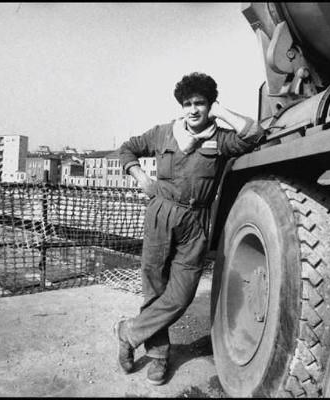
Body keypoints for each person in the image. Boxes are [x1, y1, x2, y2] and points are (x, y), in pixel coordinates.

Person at [114, 72, 266, 385]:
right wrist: (141, 178)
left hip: (196, 223)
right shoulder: (163, 133)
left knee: (181, 294)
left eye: (200, 103)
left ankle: (128, 332)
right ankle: (158, 356)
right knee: (154, 287)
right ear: (181, 106)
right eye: (187, 103)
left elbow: (255, 135)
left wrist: (222, 112)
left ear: (210, 105)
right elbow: (127, 149)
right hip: (161, 214)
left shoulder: (221, 138)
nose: (193, 109)